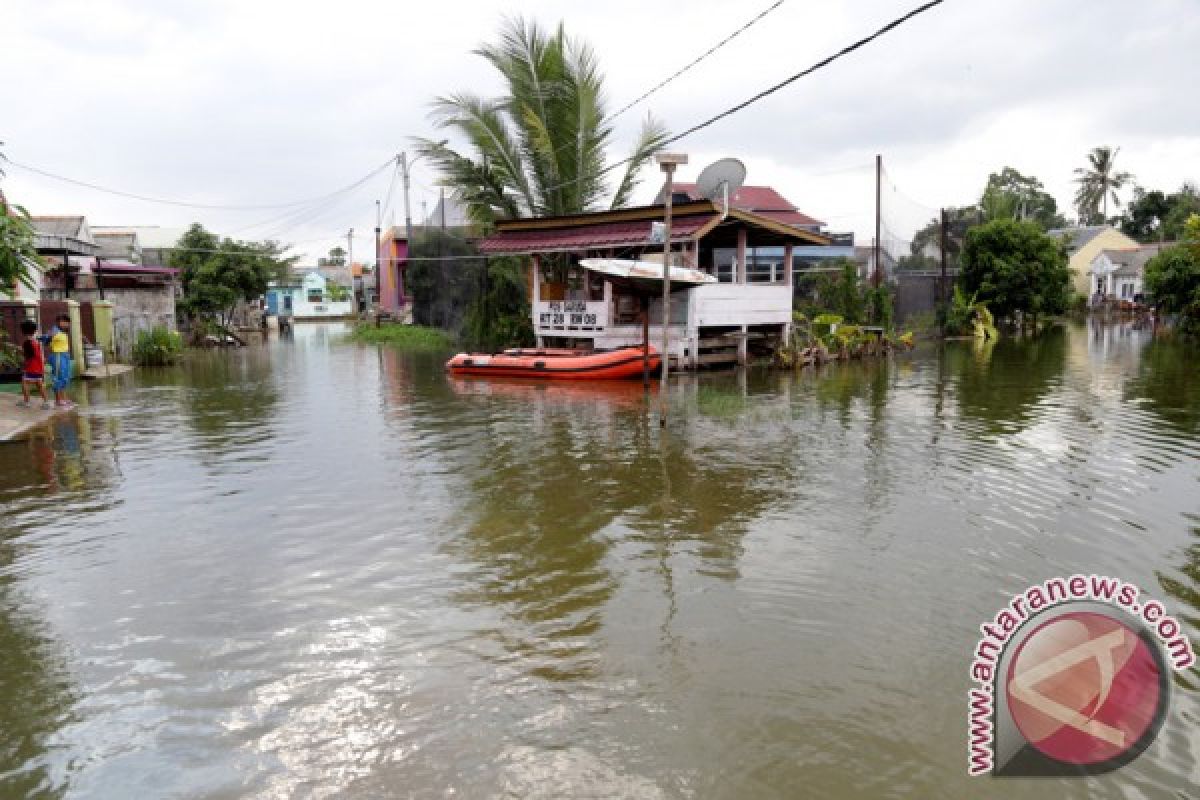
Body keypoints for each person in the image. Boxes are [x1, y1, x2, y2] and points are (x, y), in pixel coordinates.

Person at [16, 318, 51, 409]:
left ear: (23, 330)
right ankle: (46, 402)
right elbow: (37, 354)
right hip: (39, 367)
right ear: (34, 330)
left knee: (25, 383)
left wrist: (18, 349)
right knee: (39, 384)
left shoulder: (27, 342)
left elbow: (28, 355)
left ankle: (26, 402)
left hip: (31, 367)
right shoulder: (36, 341)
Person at [47, 313, 74, 409]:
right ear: (60, 322)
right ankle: (58, 400)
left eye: (67, 322)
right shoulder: (55, 331)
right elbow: (47, 339)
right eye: (65, 322)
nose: (67, 324)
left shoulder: (62, 332)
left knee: (65, 377)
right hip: (58, 355)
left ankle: (64, 398)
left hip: (64, 356)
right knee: (58, 377)